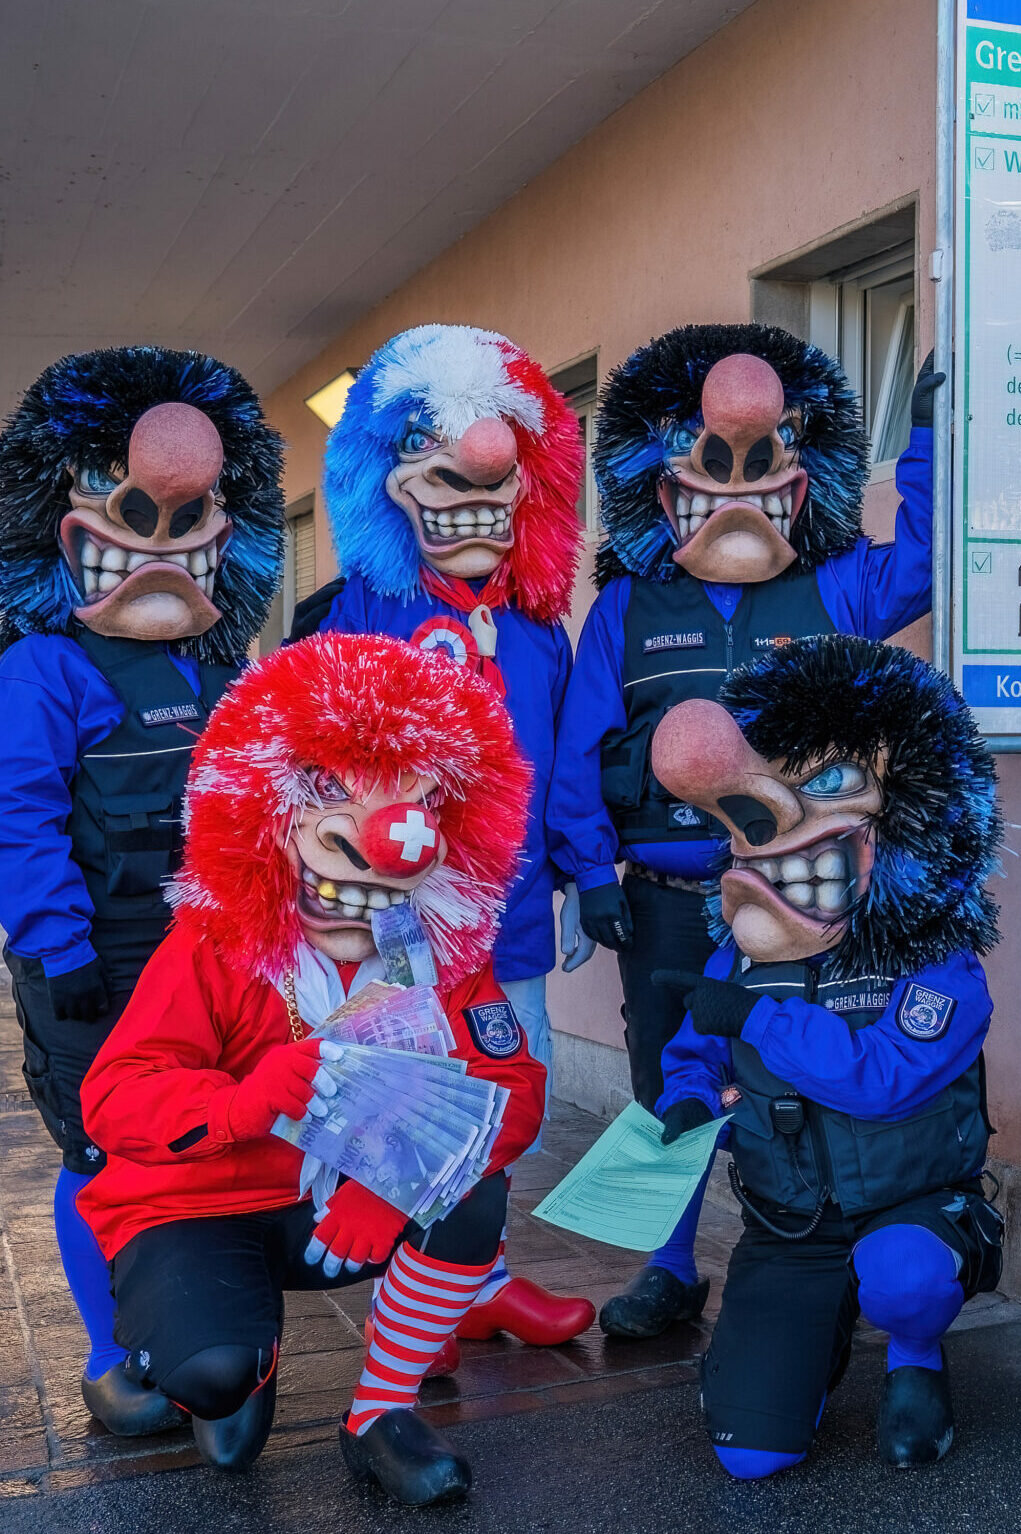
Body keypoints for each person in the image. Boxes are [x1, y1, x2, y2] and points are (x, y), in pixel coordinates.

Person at [76, 632, 544, 1502]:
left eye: (418, 801)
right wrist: (240, 1101)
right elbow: (114, 1098)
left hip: (346, 1208)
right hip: (208, 1204)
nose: (389, 840)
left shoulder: (443, 952)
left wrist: (397, 1184)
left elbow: (510, 1093)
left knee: (470, 1193)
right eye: (332, 791)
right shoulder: (210, 947)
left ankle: (380, 1412)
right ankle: (234, 1359)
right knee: (212, 1377)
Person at [554, 324, 942, 1339]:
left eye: (761, 458)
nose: (734, 486)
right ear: (663, 485)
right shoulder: (626, 608)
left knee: (806, 1067)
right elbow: (579, 745)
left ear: (800, 480)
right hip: (667, 901)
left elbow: (926, 561)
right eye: (708, 458)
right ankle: (670, 1265)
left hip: (809, 898)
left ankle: (826, 1252)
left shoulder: (840, 586)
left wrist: (926, 440)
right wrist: (589, 872)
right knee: (669, 1080)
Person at [0, 346, 288, 1436]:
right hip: (98, 961)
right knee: (101, 1151)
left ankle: (224, 1336)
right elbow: (14, 819)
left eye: (189, 517)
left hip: (220, 962)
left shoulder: (226, 670)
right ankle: (113, 1355)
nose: (158, 539)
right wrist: (58, 952)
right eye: (129, 507)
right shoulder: (44, 671)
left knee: (223, 1140)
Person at [289, 324, 594, 1348]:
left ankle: (472, 1276)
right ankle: (425, 1293)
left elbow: (563, 763)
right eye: (427, 443)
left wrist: (582, 876)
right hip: (396, 925)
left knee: (512, 1103)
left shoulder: (541, 629)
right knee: (405, 1101)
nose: (478, 463)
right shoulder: (346, 617)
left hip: (511, 920)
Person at [643, 635, 1006, 1475]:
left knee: (903, 1274)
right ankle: (808, 1332)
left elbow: (881, 1082)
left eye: (827, 782)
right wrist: (687, 1101)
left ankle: (914, 1352)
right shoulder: (739, 958)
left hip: (907, 1207)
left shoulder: (938, 963)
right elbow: (696, 1055)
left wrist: (759, 1021)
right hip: (790, 1221)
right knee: (751, 1456)